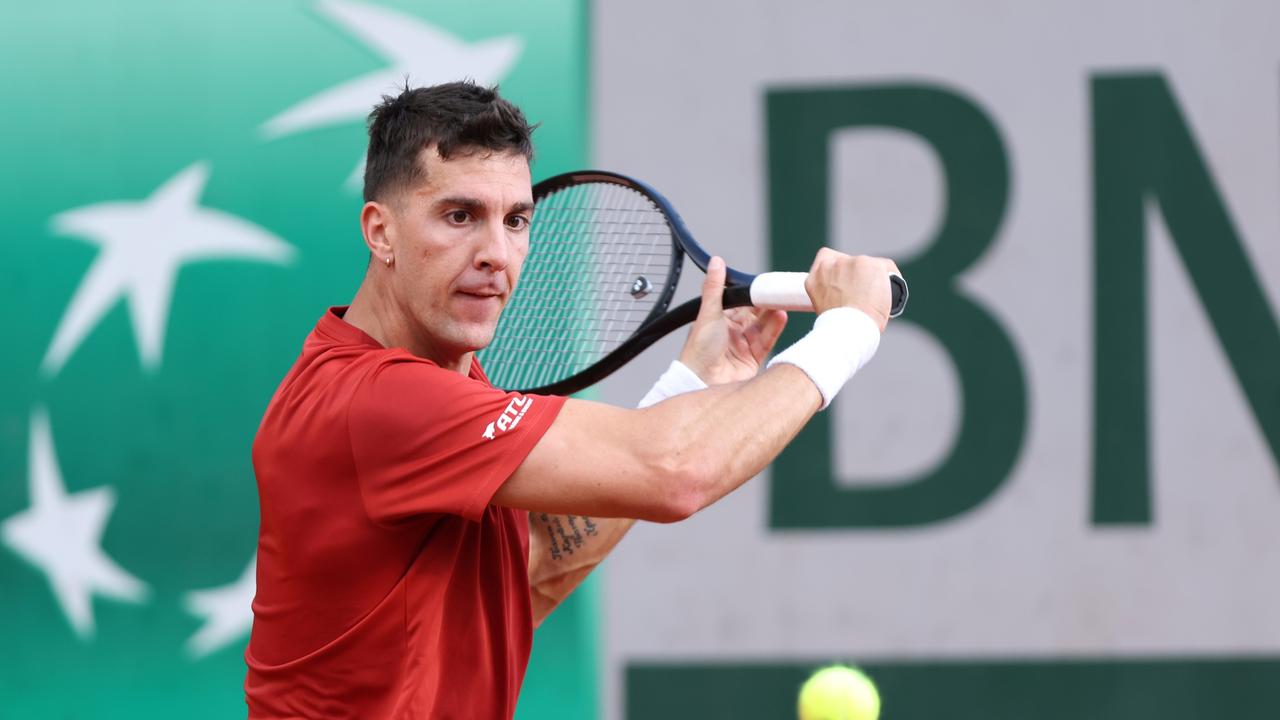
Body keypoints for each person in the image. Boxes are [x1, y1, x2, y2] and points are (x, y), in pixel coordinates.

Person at [245, 81, 901, 719]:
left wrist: (695, 384)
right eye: (459, 216)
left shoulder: (434, 387)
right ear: (380, 232)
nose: (496, 255)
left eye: (516, 220)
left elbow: (526, 573)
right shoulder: (378, 402)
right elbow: (674, 473)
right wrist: (849, 330)